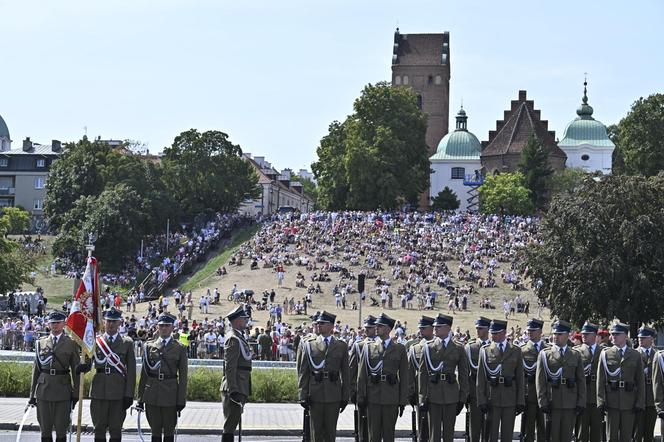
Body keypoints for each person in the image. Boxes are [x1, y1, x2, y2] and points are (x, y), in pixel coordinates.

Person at [29, 311, 82, 442]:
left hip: (62, 390)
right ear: (48, 324)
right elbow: (36, 371)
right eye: (52, 323)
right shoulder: (40, 343)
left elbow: (76, 370)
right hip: (44, 390)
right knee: (45, 429)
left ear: (64, 324)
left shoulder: (71, 343)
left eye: (58, 323)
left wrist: (76, 394)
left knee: (61, 428)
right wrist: (32, 395)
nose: (55, 325)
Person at [297, 310, 349, 442]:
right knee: (316, 433)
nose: (318, 325)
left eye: (322, 323)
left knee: (331, 433)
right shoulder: (309, 344)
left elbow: (346, 374)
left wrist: (345, 396)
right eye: (318, 323)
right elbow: (304, 371)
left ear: (331, 326)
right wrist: (302, 395)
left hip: (334, 394)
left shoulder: (341, 346)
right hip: (315, 394)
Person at [136, 312, 188, 442]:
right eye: (161, 325)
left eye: (167, 325)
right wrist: (140, 398)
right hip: (152, 393)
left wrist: (181, 399)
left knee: (169, 430)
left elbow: (183, 377)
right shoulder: (149, 346)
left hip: (170, 393)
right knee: (155, 430)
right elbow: (144, 374)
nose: (164, 328)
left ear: (172, 328)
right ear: (157, 327)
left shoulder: (179, 348)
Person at [87, 307, 136, 442]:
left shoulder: (127, 343)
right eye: (108, 321)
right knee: (99, 428)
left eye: (114, 321)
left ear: (119, 323)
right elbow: (87, 362)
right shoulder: (96, 341)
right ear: (104, 322)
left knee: (115, 430)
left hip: (118, 392)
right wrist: (83, 365)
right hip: (99, 391)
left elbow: (131, 371)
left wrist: (129, 394)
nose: (111, 324)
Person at [357, 313, 408, 442]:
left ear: (389, 329)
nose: (376, 328)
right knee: (373, 435)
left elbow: (404, 376)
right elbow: (362, 375)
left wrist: (402, 401)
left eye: (380, 326)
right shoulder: (368, 348)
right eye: (376, 325)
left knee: (389, 435)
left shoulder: (399, 349)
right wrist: (361, 397)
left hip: (391, 397)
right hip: (373, 397)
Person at [418, 313, 469, 442]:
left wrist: (462, 398)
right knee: (433, 434)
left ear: (448, 328)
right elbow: (422, 374)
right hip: (433, 395)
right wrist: (422, 397)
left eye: (439, 326)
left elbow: (463, 375)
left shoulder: (458, 348)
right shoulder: (428, 347)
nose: (435, 329)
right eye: (435, 326)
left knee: (448, 434)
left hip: (451, 395)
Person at [535, 320, 586, 442]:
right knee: (552, 437)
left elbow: (581, 381)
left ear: (567, 335)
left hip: (570, 402)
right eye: (554, 334)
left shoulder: (575, 354)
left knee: (567, 436)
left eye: (559, 334)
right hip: (553, 401)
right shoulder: (545, 354)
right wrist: (542, 402)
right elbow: (540, 380)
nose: (555, 337)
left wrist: (581, 402)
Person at [476, 318, 525, 442]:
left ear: (504, 332)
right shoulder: (485, 351)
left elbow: (520, 377)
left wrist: (520, 401)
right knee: (491, 434)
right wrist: (481, 400)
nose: (493, 336)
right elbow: (480, 378)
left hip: (510, 398)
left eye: (496, 333)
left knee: (507, 434)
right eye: (492, 333)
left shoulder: (516, 351)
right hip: (492, 398)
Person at [597, 322, 645, 442]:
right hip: (611, 403)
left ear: (625, 336)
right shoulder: (605, 354)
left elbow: (640, 381)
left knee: (626, 437)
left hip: (629, 403)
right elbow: (600, 380)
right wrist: (600, 401)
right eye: (612, 334)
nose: (613, 336)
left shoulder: (635, 355)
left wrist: (640, 402)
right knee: (611, 437)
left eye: (617, 334)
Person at [220, 305, 253, 442]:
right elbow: (230, 367)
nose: (246, 321)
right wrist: (233, 390)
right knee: (230, 425)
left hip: (240, 384)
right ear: (238, 320)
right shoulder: (233, 339)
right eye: (244, 318)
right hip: (235, 386)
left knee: (233, 423)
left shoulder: (238, 337)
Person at [407, 316, 436, 442]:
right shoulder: (415, 349)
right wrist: (411, 393)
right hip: (421, 393)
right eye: (420, 328)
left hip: (438, 391)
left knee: (436, 429)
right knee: (422, 428)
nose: (421, 331)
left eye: (424, 328)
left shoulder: (439, 347)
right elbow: (410, 373)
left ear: (432, 328)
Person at [573, 322, 602, 442]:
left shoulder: (604, 351)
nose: (583, 336)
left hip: (597, 396)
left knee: (597, 432)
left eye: (587, 334)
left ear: (594, 335)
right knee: (581, 432)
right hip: (582, 396)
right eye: (583, 333)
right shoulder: (576, 351)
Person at [519, 318, 548, 442]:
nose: (530, 332)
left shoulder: (548, 350)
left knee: (544, 429)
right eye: (529, 330)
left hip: (544, 395)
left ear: (540, 331)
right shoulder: (522, 350)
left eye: (533, 330)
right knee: (528, 429)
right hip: (528, 394)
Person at [465, 316, 491, 442]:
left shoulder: (493, 347)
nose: (477, 331)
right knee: (474, 431)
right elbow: (465, 373)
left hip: (491, 394)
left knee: (489, 430)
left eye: (480, 328)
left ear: (488, 329)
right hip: (474, 394)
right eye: (476, 328)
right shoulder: (471, 348)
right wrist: (465, 394)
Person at [634, 326, 657, 442]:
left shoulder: (657, 355)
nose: (640, 340)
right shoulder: (633, 354)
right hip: (637, 398)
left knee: (649, 433)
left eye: (643, 337)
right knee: (637, 432)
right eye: (639, 337)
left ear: (651, 339)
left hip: (652, 398)